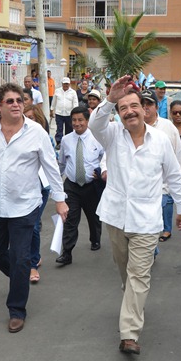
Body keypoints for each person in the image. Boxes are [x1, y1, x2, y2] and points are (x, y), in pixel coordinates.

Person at [89, 75, 181, 355]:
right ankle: (132, 303)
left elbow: (174, 175)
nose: (130, 111)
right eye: (123, 108)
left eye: (134, 106)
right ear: (118, 114)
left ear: (144, 109)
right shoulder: (111, 135)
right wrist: (111, 98)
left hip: (146, 220)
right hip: (116, 217)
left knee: (139, 275)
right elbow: (95, 123)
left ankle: (129, 334)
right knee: (126, 273)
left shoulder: (160, 140)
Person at [0, 83, 67, 333]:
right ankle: (19, 278)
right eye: (10, 101)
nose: (16, 104)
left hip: (25, 205)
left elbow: (51, 167)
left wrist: (60, 198)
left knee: (22, 257)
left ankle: (17, 309)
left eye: (19, 100)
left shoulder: (36, 132)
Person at [56, 106, 105, 266]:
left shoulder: (97, 138)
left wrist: (102, 171)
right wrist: (55, 182)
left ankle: (95, 239)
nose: (77, 123)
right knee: (70, 219)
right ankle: (67, 252)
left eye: (80, 120)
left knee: (93, 217)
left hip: (92, 186)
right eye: (74, 120)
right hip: (72, 186)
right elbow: (62, 163)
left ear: (87, 121)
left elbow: (105, 158)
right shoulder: (66, 140)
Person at [139, 90, 181, 242]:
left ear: (157, 106)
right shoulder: (132, 127)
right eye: (142, 104)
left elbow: (179, 158)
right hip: (140, 191)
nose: (145, 107)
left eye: (149, 104)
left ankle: (165, 232)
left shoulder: (168, 127)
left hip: (163, 187)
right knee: (145, 234)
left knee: (155, 228)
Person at [24, 104, 52, 283]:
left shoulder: (45, 137)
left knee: (33, 225)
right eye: (25, 117)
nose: (28, 121)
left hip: (41, 187)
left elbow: (52, 165)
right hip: (23, 188)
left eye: (31, 118)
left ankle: (32, 264)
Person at [51, 77, 79, 145]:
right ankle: (59, 142)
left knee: (69, 129)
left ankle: (68, 143)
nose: (66, 85)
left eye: (67, 84)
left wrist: (75, 113)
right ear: (62, 84)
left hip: (69, 114)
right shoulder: (57, 91)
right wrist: (52, 109)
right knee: (59, 129)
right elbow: (54, 101)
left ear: (69, 84)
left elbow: (75, 103)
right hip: (59, 113)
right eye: (64, 84)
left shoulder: (73, 92)